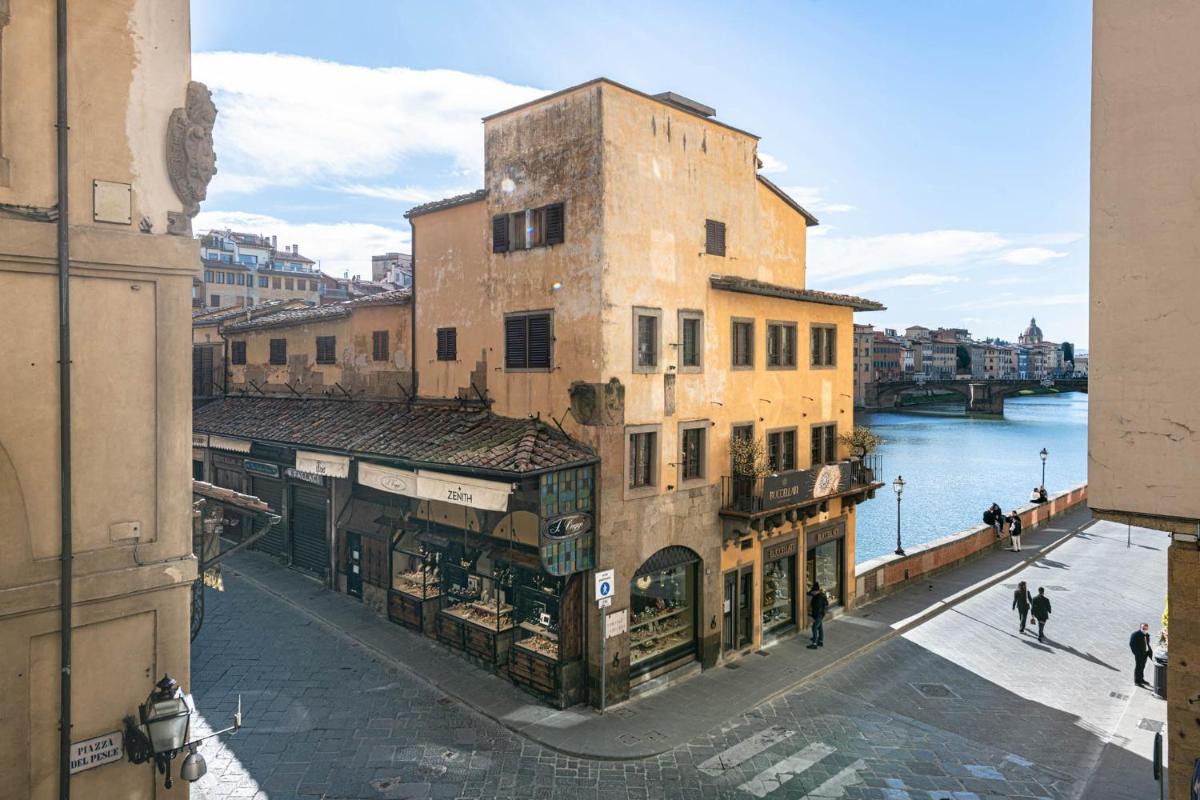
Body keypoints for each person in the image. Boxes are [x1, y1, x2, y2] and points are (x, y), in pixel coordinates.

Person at [1130, 622, 1154, 687]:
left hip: (1145, 653)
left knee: (1142, 667)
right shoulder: (1135, 634)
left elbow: (1147, 644)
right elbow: (1132, 645)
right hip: (1139, 654)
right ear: (1140, 628)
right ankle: (1137, 681)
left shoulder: (1146, 635)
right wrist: (1136, 653)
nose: (1145, 629)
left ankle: (1141, 679)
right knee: (1138, 667)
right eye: (1143, 628)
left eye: (1146, 628)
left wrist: (1149, 652)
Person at [807, 583, 828, 649]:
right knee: (820, 627)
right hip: (821, 614)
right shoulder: (822, 595)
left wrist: (813, 617)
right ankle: (820, 640)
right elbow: (826, 604)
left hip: (818, 615)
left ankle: (814, 644)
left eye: (813, 592)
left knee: (814, 628)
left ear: (816, 591)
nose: (812, 593)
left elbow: (817, 609)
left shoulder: (817, 599)